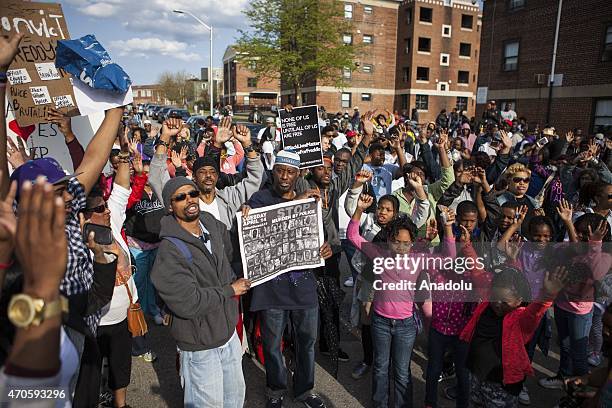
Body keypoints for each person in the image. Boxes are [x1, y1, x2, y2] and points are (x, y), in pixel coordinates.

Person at [244, 150, 333, 408]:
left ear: (299, 174)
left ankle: (305, 390)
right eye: (280, 170)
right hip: (271, 289)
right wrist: (296, 204)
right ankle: (275, 389)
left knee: (307, 342)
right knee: (272, 344)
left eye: (290, 172)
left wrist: (325, 247)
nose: (284, 176)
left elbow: (321, 237)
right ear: (273, 172)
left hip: (304, 286)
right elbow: (262, 224)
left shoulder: (311, 200)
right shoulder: (259, 199)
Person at [151, 177, 249, 407]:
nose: (189, 200)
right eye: (180, 197)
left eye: (192, 194)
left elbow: (236, 253)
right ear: (169, 205)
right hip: (200, 347)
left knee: (234, 401)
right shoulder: (169, 251)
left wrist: (248, 216)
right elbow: (188, 303)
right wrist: (229, 290)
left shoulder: (211, 223)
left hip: (228, 337)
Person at [461, 266, 568, 407]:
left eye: (505, 302)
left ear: (519, 300)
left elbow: (534, 313)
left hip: (501, 388)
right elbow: (478, 271)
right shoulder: (486, 306)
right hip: (476, 378)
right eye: (495, 297)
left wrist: (547, 296)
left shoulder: (519, 320)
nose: (498, 304)